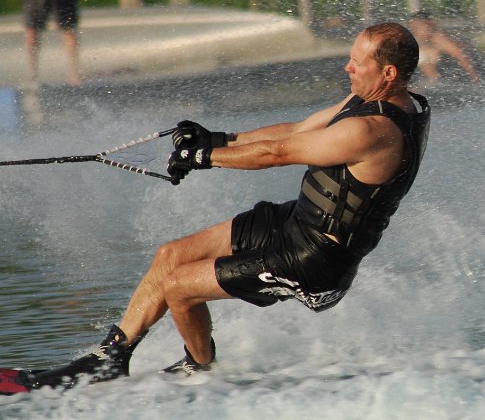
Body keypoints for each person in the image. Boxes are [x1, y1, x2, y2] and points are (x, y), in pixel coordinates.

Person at [6, 22, 430, 391]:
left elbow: (279, 153)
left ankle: (200, 372)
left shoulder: (374, 131)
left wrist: (203, 157)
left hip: (315, 258)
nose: (347, 67)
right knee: (170, 256)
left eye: (357, 62)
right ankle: (109, 360)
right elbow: (297, 129)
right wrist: (220, 139)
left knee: (178, 287)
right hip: (298, 222)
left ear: (388, 73)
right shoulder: (377, 101)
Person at [408, 11, 480, 83]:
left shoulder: (439, 38)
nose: (415, 32)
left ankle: (433, 82)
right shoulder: (430, 38)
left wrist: (475, 78)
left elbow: (462, 56)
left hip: (472, 65)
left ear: (430, 24)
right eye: (413, 28)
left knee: (423, 55)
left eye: (417, 28)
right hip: (454, 69)